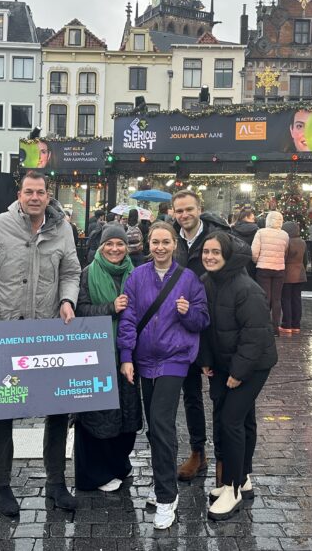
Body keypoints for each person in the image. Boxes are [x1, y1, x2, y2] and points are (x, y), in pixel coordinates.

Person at [0, 171, 81, 516]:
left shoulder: (62, 228)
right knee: (4, 412)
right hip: (7, 333)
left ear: (49, 195)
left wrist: (68, 300)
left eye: (41, 192)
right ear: (19, 194)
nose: (35, 197)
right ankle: (3, 486)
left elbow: (72, 272)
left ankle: (55, 482)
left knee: (58, 410)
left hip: (48, 332)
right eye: (29, 192)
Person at [118, 222, 209, 530]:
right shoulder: (137, 276)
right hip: (145, 359)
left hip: (175, 358)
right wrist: (126, 357)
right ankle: (163, 483)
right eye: (155, 242)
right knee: (158, 427)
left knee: (159, 421)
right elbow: (129, 319)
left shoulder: (188, 278)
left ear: (174, 245)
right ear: (148, 245)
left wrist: (188, 312)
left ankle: (167, 497)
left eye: (165, 242)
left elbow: (202, 319)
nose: (159, 247)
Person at [198, 232, 277, 520]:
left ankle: (231, 487)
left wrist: (238, 373)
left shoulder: (247, 288)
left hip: (252, 365)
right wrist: (205, 360)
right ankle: (242, 477)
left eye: (216, 252)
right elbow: (205, 326)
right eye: (206, 251)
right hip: (222, 363)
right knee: (238, 418)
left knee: (231, 420)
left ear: (228, 255)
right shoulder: (206, 282)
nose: (209, 257)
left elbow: (255, 336)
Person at [74, 224, 141, 492]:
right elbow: (79, 310)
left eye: (120, 244)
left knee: (125, 416)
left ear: (128, 247)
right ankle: (96, 474)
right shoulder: (87, 274)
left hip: (128, 355)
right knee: (97, 418)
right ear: (101, 247)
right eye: (110, 244)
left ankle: (118, 464)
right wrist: (110, 308)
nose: (115, 249)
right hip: (97, 355)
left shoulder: (135, 274)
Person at [171, 190, 231, 482]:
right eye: (179, 211)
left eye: (189, 209)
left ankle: (224, 457)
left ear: (199, 209)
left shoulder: (218, 237)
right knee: (191, 395)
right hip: (183, 326)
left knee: (220, 396)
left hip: (215, 326)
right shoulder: (172, 238)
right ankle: (198, 451)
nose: (184, 215)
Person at [251, 211, 289, 335]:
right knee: (276, 299)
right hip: (279, 269)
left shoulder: (261, 233)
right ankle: (275, 328)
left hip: (263, 268)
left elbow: (254, 252)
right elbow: (285, 251)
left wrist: (257, 261)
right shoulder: (285, 235)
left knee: (265, 297)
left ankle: (265, 325)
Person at [279, 221, 307, 333]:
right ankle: (296, 324)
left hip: (287, 274)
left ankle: (287, 324)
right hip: (300, 274)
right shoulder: (303, 242)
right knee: (297, 299)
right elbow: (305, 260)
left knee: (286, 299)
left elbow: (283, 258)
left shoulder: (286, 242)